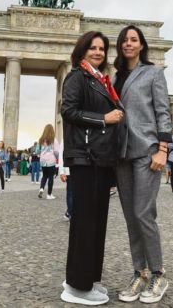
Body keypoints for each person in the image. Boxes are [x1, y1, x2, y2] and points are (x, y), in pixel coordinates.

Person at [59, 31, 124, 306]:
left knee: (95, 223)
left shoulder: (99, 80)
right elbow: (68, 111)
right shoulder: (77, 77)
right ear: (82, 50)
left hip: (98, 158)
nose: (98, 52)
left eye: (102, 48)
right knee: (86, 223)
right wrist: (104, 119)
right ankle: (76, 287)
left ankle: (86, 280)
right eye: (92, 48)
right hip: (86, 157)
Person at [113, 25, 173, 304]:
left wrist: (163, 149)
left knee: (143, 213)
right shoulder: (115, 78)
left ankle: (159, 273)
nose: (129, 43)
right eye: (125, 40)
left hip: (147, 151)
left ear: (142, 45)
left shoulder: (153, 73)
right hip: (122, 155)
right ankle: (140, 272)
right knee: (130, 217)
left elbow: (163, 111)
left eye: (134, 39)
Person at [37, 124, 60, 199]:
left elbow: (37, 151)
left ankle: (41, 189)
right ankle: (49, 194)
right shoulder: (54, 140)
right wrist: (58, 160)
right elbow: (56, 152)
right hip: (51, 161)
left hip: (43, 161)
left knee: (44, 176)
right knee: (51, 177)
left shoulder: (41, 140)